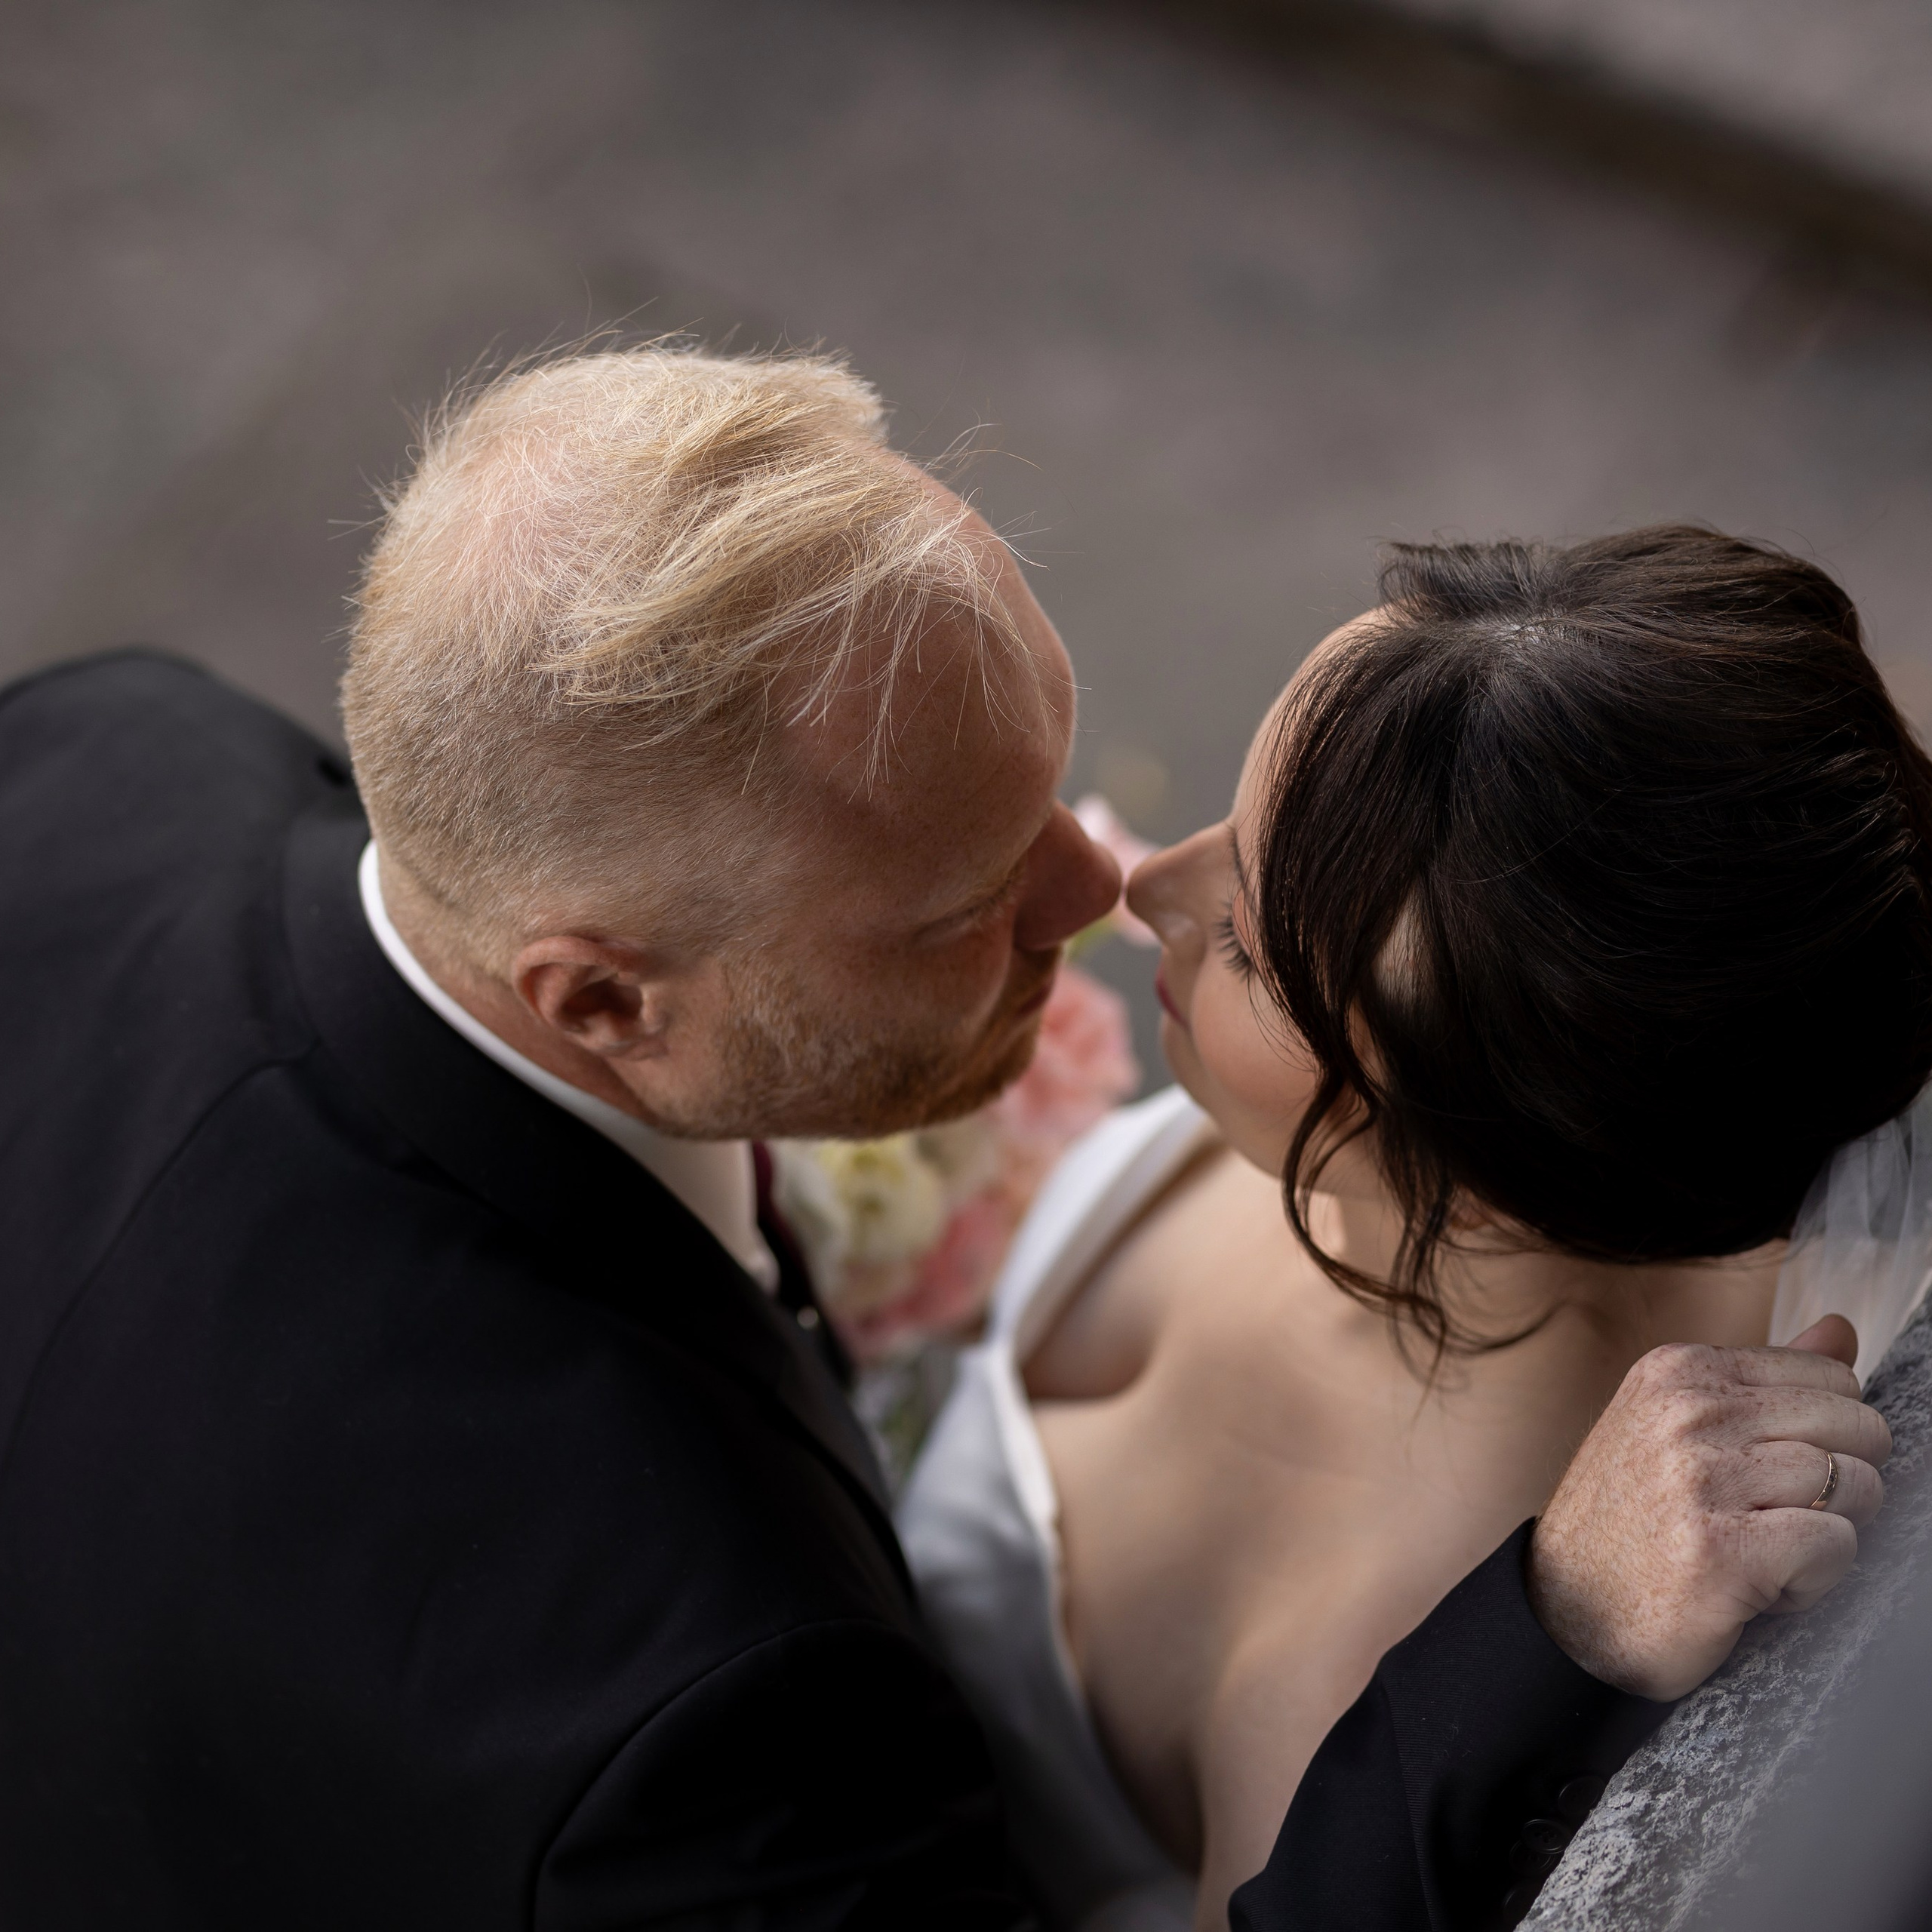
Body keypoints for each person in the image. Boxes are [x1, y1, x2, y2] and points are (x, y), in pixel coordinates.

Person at [0, 340, 1887, 1929]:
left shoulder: (105, 749)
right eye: (948, 907)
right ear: (593, 1002)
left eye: (1248, 937)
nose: (1114, 877)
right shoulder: (694, 1714)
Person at [900, 527, 1919, 1931]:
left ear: (1490, 1154)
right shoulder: (1356, 1152)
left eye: (1252, 946)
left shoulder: (1343, 1698)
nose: (1145, 888)